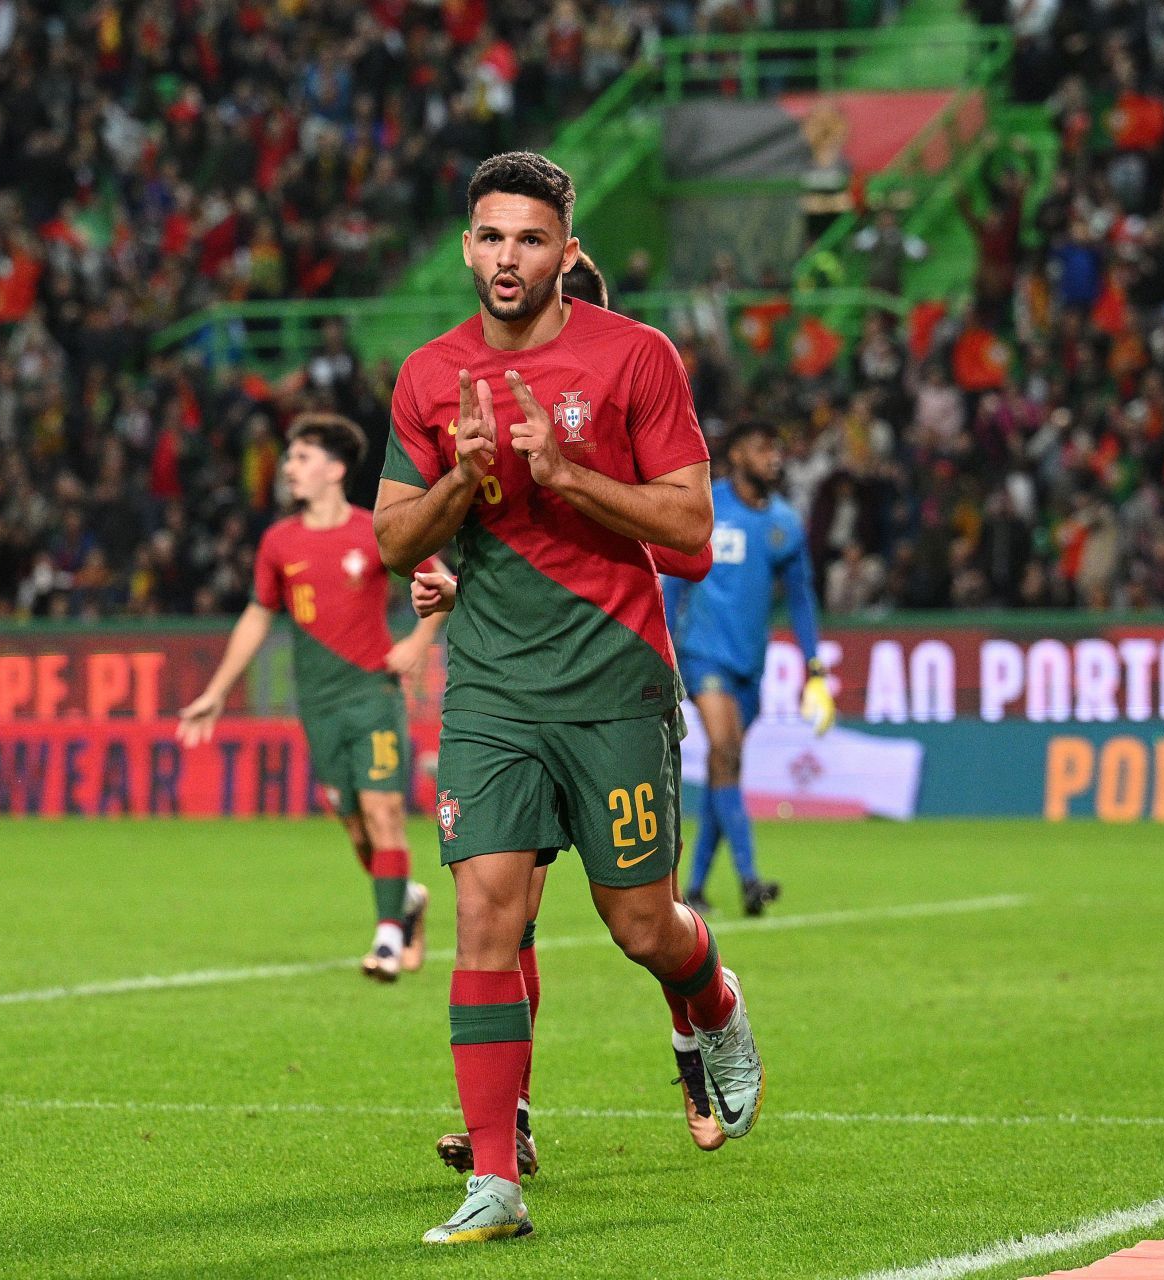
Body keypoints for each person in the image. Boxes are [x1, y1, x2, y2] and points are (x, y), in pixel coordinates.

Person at [374, 151, 764, 1245]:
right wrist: (463, 478)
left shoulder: (635, 356)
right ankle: (496, 1178)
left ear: (567, 251)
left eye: (531, 239)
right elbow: (393, 535)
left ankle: (713, 1000)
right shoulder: (427, 375)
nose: (509, 258)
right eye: (492, 237)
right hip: (493, 687)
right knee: (487, 913)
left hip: (613, 678)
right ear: (467, 247)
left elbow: (689, 531)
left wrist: (563, 473)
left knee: (640, 921)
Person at [178, 413, 446, 980]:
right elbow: (257, 617)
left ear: (335, 470)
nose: (289, 468)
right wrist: (217, 691)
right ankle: (407, 902)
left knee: (384, 811)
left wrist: (418, 643)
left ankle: (387, 942)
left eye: (301, 458)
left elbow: (438, 583)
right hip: (318, 708)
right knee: (356, 827)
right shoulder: (279, 542)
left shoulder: (376, 529)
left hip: (372, 694)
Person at [664, 423, 834, 917]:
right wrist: (667, 644)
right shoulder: (707, 508)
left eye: (776, 447)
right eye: (763, 447)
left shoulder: (785, 524)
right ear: (737, 455)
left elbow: (801, 599)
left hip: (749, 666)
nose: (773, 457)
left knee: (726, 765)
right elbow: (674, 576)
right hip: (702, 654)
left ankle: (694, 888)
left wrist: (814, 665)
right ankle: (750, 878)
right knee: (724, 748)